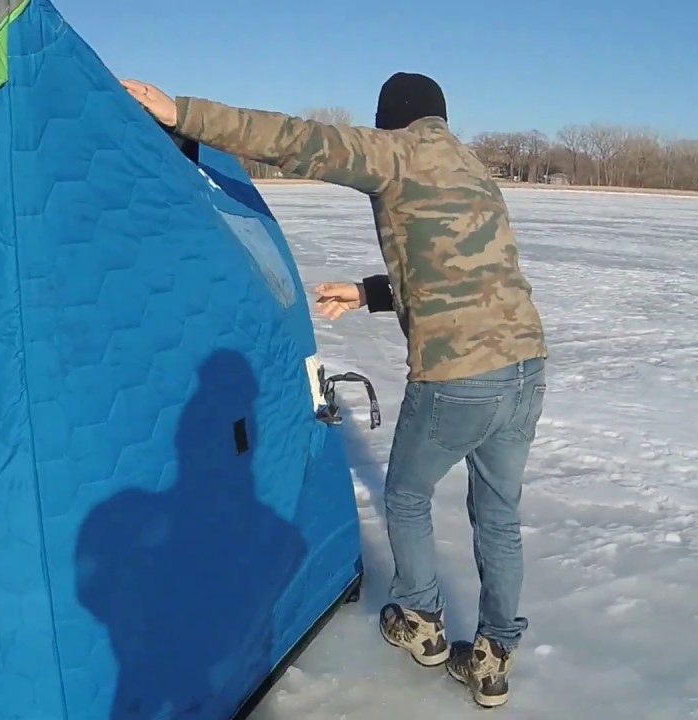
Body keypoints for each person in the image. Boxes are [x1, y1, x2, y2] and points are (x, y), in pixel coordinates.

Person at [119, 72, 547, 708]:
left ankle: (422, 623)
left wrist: (181, 112)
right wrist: (370, 291)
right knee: (500, 517)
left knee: (404, 495)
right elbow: (458, 270)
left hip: (458, 375)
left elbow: (297, 140)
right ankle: (494, 658)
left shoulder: (398, 151)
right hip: (526, 369)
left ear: (392, 119)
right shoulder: (474, 169)